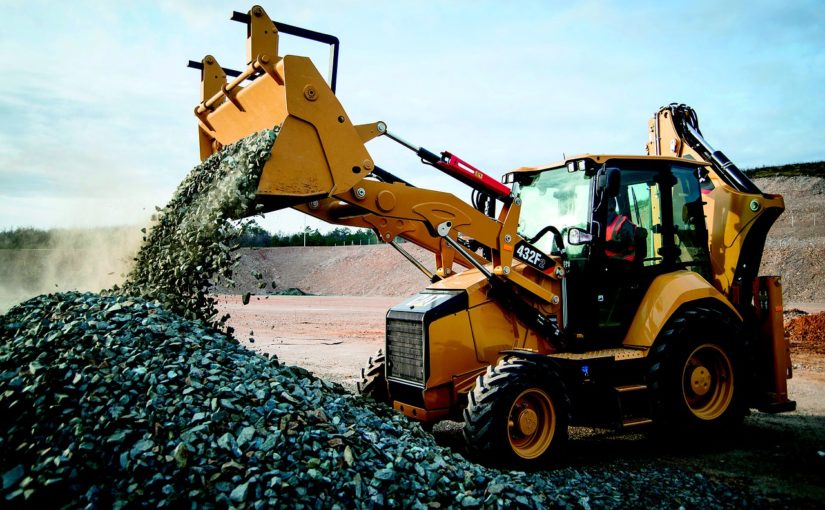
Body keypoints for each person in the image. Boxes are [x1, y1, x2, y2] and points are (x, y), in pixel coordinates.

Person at [604, 198, 642, 262]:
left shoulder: (624, 223)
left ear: (612, 205)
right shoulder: (602, 225)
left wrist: (600, 244)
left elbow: (621, 247)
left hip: (625, 265)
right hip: (609, 264)